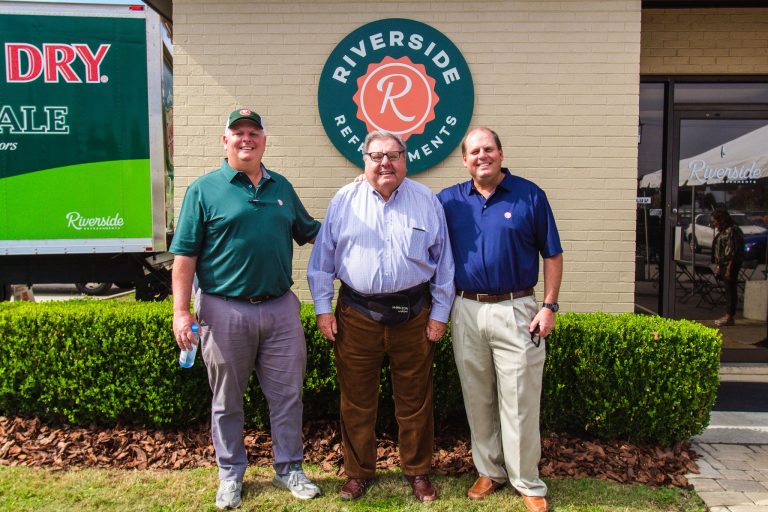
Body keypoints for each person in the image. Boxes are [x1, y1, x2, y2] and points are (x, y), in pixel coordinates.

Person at [170, 108, 322, 510]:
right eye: (238, 133)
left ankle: (289, 468)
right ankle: (230, 474)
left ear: (264, 141)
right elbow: (184, 257)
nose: (246, 139)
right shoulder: (204, 190)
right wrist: (181, 311)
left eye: (254, 132)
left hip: (280, 311)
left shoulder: (280, 187)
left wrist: (356, 207)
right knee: (226, 401)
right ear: (225, 141)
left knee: (288, 397)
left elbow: (311, 232)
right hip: (223, 311)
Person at [307, 131, 455, 503]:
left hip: (415, 315)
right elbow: (322, 261)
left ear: (405, 159)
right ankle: (358, 473)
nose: (385, 162)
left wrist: (439, 314)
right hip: (357, 315)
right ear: (365, 161)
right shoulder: (345, 200)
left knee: (415, 401)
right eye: (376, 156)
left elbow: (444, 265)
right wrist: (323, 308)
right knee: (356, 402)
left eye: (393, 155)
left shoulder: (426, 201)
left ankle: (418, 472)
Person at [437, 127, 563, 512]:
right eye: (474, 151)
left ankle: (527, 480)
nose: (482, 156)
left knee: (520, 398)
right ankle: (489, 471)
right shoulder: (448, 201)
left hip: (517, 308)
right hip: (466, 309)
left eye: (488, 149)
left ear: (501, 153)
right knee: (477, 397)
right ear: (464, 160)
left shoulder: (530, 195)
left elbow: (552, 254)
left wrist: (549, 306)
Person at [711, 208, 744, 327]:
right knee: (728, 289)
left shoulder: (732, 231)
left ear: (721, 220)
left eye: (714, 221)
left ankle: (729, 316)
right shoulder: (723, 231)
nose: (713, 224)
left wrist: (729, 269)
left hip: (731, 264)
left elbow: (734, 251)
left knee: (730, 289)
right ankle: (728, 314)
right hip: (724, 264)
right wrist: (718, 266)